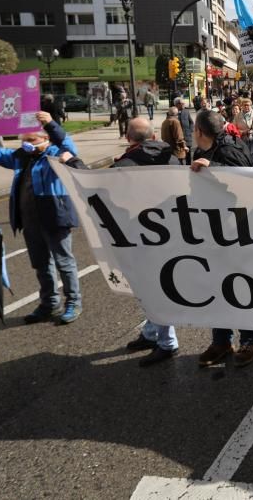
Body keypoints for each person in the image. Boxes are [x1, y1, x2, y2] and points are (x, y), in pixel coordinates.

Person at [0, 111, 83, 325]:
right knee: (41, 264)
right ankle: (49, 303)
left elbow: (70, 148)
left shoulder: (56, 154)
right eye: (23, 140)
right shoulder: (21, 158)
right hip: (30, 220)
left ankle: (73, 301)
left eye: (31, 140)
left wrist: (51, 124)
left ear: (45, 139)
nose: (26, 144)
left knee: (64, 262)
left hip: (54, 216)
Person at [189, 110, 253, 368]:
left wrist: (214, 168)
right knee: (217, 289)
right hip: (212, 232)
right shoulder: (200, 152)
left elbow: (248, 180)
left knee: (241, 287)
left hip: (237, 233)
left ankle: (249, 340)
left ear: (198, 131)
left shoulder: (229, 150)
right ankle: (221, 340)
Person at [109, 118, 181, 366]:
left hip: (140, 237)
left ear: (128, 138)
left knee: (152, 289)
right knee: (155, 287)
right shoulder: (172, 159)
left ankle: (167, 342)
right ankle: (152, 333)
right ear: (152, 137)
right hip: (170, 233)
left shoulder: (125, 165)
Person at [174, 98, 194, 165]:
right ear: (177, 105)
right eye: (182, 104)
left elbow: (191, 122)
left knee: (188, 152)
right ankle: (181, 166)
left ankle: (188, 165)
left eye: (184, 103)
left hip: (187, 135)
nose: (183, 105)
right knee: (180, 152)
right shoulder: (173, 112)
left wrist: (190, 130)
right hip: (178, 137)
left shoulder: (186, 111)